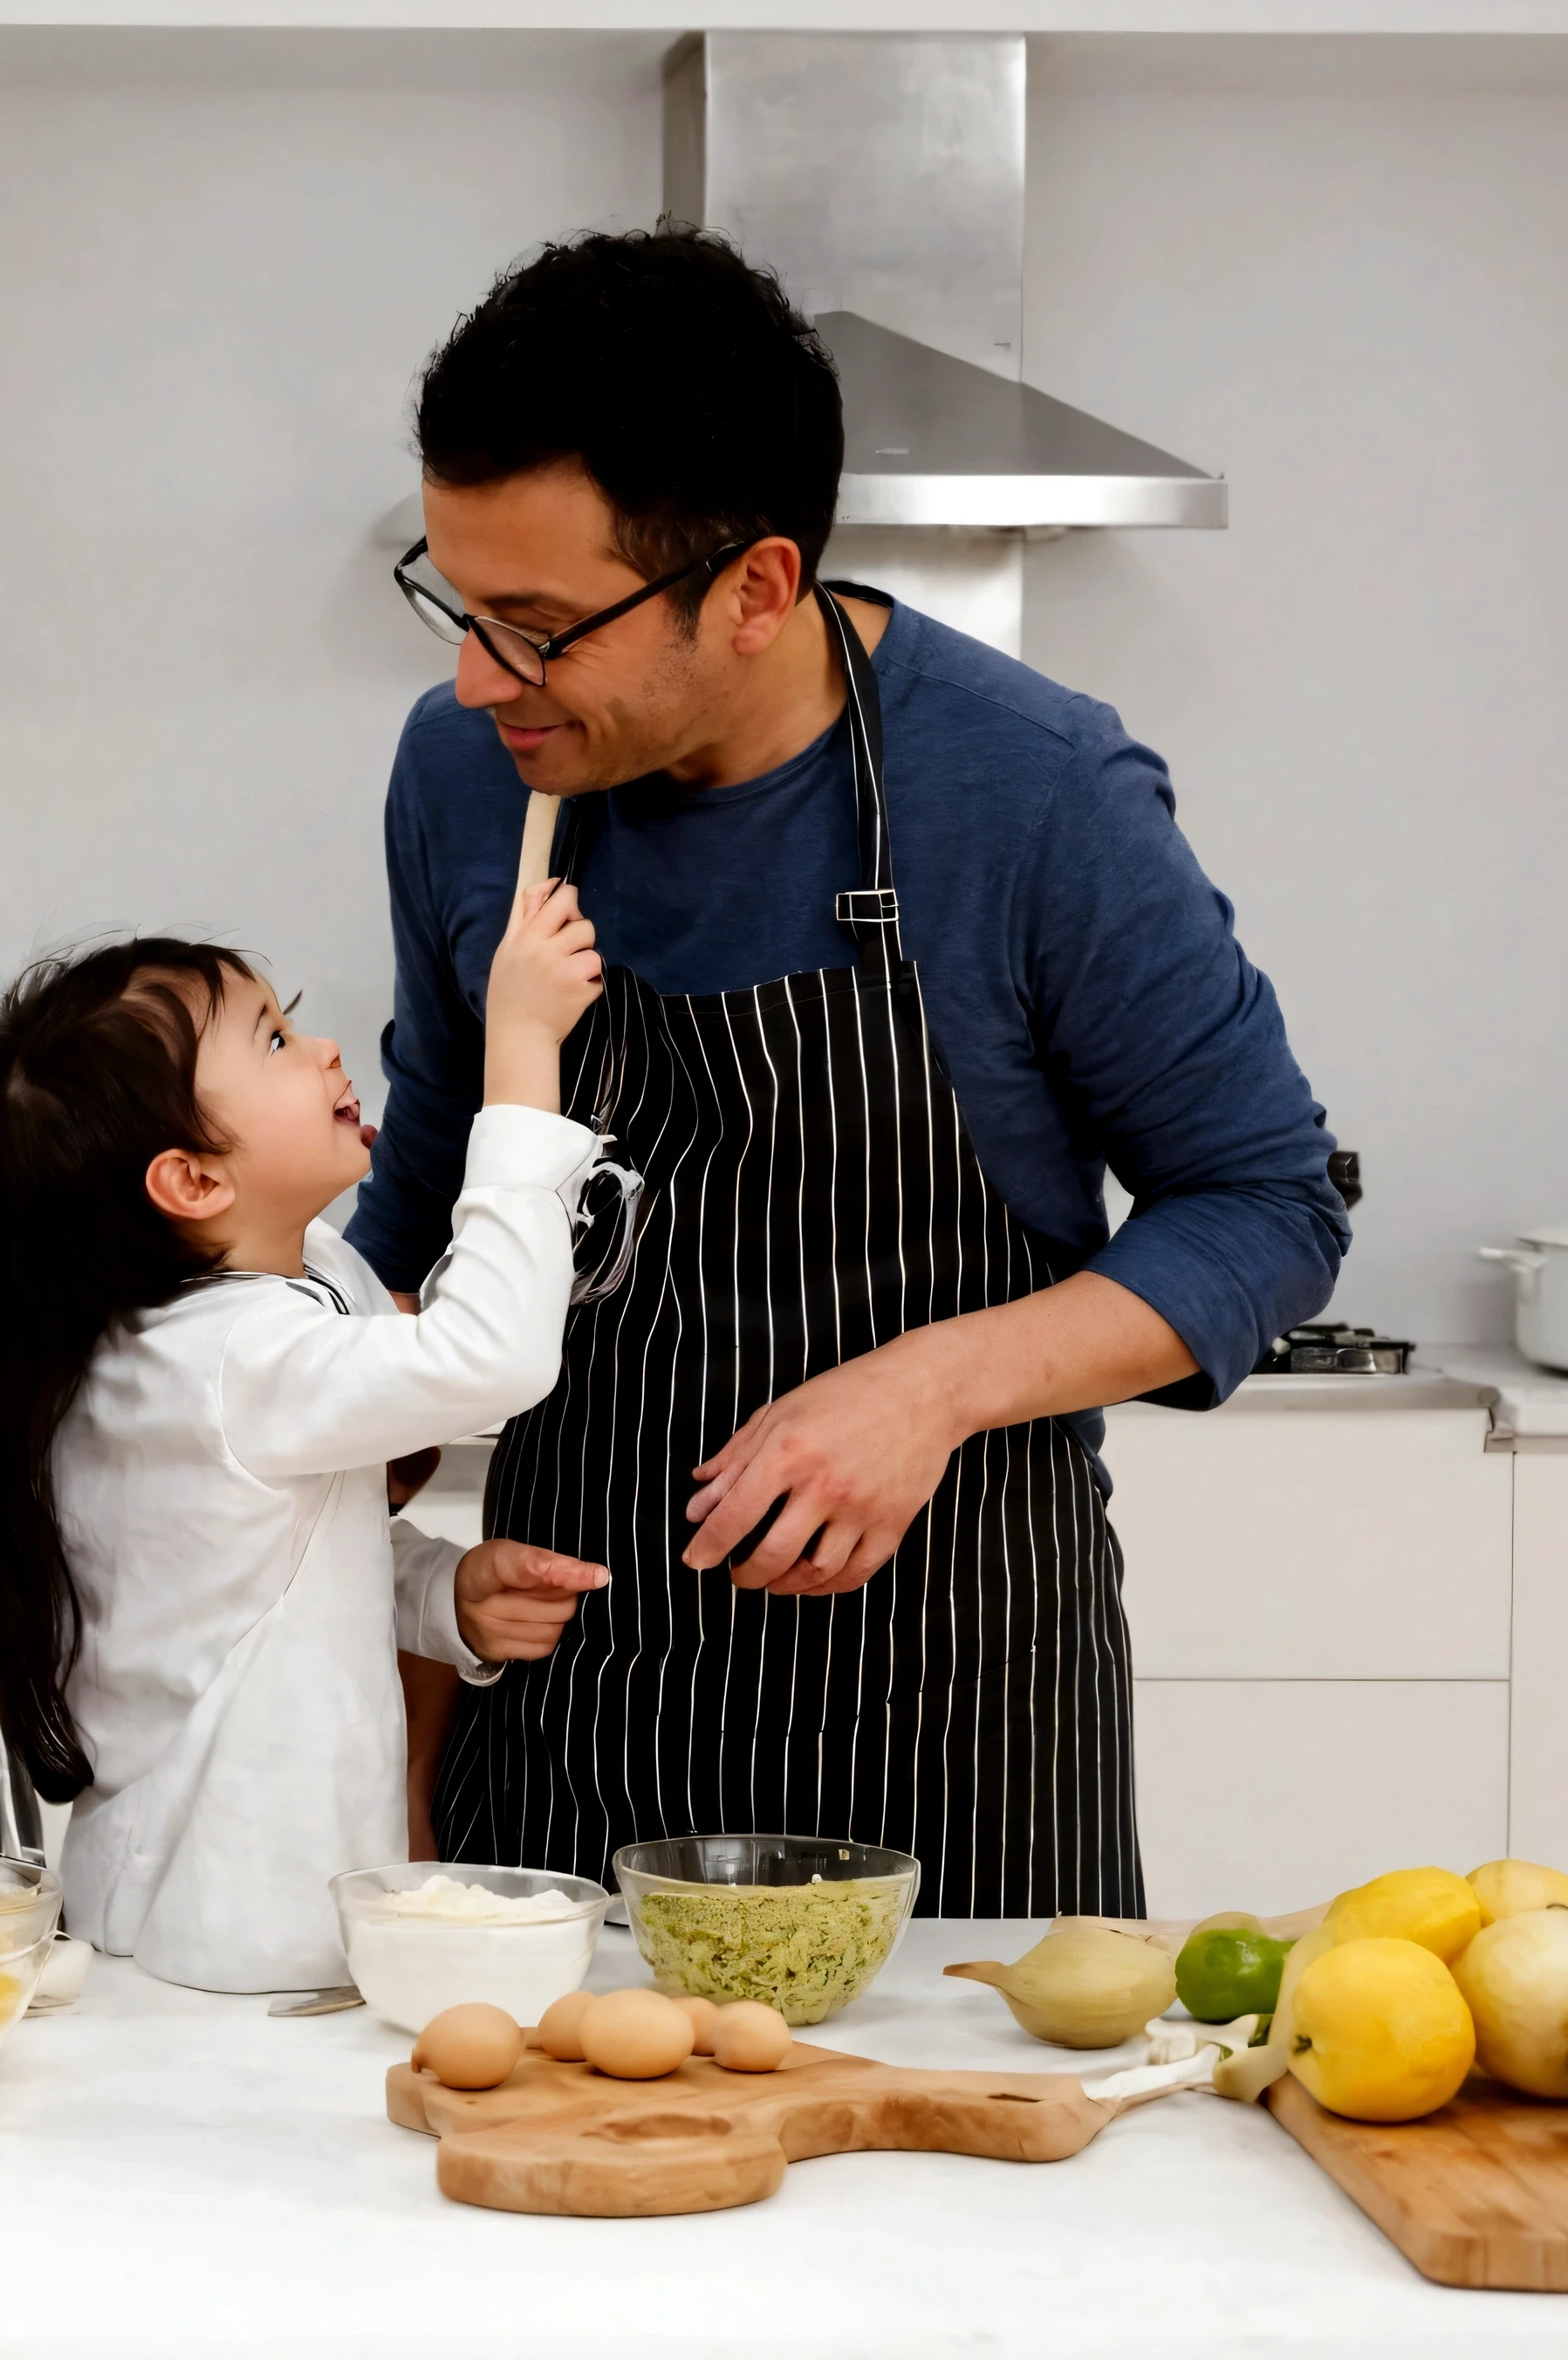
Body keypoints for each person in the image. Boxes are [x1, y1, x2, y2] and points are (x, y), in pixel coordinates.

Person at [357, 230, 1347, 1918]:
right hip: (573, 1696)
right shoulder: (469, 777)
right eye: (456, 604)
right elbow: (432, 1191)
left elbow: (1267, 1202)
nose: (472, 679)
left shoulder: (1036, 795)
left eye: (533, 628)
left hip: (954, 1720)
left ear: (755, 587)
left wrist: (931, 1383)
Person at [0, 890, 606, 1992]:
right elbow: (494, 1356)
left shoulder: (298, 1287)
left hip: (267, 1923)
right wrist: (521, 1045)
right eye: (278, 1041)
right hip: (219, 1937)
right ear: (193, 1180)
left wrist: (443, 1596)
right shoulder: (222, 1356)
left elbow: (270, 1566)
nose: (326, 1048)